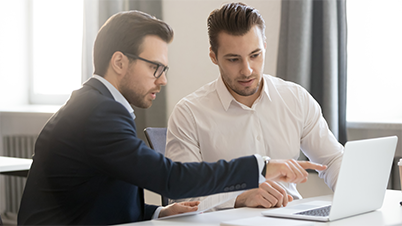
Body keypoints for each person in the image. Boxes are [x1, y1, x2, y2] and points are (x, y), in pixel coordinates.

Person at [17, 10, 326, 225]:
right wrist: (261, 166)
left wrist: (157, 214)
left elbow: (98, 202)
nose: (162, 80)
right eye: (156, 68)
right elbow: (171, 178)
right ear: (119, 62)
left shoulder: (99, 106)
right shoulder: (98, 113)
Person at [166, 2, 344, 211]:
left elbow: (332, 159)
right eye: (233, 59)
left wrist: (352, 196)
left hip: (292, 219)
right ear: (214, 57)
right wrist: (239, 198)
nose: (247, 70)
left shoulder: (295, 98)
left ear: (265, 46)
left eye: (255, 55)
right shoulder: (189, 114)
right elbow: (182, 200)